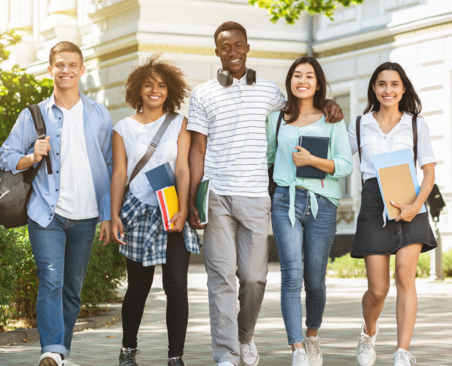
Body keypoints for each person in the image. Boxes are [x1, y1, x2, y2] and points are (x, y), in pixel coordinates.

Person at [187, 21, 343, 366]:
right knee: (222, 278)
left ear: (247, 47)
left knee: (255, 278)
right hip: (216, 194)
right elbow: (197, 150)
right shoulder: (202, 94)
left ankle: (245, 337)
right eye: (225, 47)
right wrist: (192, 200)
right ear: (217, 52)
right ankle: (226, 354)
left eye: (238, 45)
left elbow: (303, 107)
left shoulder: (272, 91)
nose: (232, 52)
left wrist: (329, 103)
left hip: (257, 195)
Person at [0, 41, 113, 366]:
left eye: (72, 65)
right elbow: (6, 157)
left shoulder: (99, 114)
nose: (66, 70)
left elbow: (108, 166)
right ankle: (51, 351)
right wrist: (30, 156)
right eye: (59, 65)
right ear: (50, 70)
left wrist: (107, 215)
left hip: (87, 216)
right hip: (47, 214)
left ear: (82, 69)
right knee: (51, 281)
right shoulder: (33, 114)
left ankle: (60, 356)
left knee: (72, 291)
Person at [109, 54, 202, 366]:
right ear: (138, 89)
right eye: (148, 85)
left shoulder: (179, 123)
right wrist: (113, 215)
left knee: (176, 285)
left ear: (169, 90)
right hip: (137, 212)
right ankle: (128, 350)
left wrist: (182, 210)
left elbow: (183, 170)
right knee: (138, 287)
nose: (155, 90)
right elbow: (119, 174)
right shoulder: (123, 127)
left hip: (172, 208)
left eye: (161, 85)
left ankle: (175, 357)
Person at [347, 62, 438, 366]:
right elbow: (340, 160)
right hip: (374, 205)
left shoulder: (416, 124)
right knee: (377, 290)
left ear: (403, 89)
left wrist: (416, 206)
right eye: (382, 84)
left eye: (394, 84)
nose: (388, 90)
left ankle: (402, 351)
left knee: (404, 275)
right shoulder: (359, 125)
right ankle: (369, 332)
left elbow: (428, 172)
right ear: (373, 88)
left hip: (411, 202)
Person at [267, 56, 353, 366]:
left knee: (315, 281)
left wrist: (313, 161)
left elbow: (345, 165)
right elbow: (267, 157)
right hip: (285, 201)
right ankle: (297, 349)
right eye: (297, 75)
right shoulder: (277, 118)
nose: (302, 80)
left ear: (318, 83)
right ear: (290, 81)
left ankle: (312, 336)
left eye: (309, 76)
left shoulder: (332, 118)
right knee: (291, 276)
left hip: (323, 204)